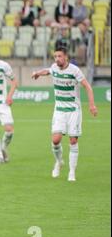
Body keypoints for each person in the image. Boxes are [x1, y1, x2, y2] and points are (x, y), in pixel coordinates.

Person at [31, 47, 97, 181]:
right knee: (55, 140)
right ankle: (59, 162)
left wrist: (91, 105)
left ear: (66, 57)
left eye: (59, 56)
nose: (57, 59)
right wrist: (38, 73)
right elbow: (48, 71)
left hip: (74, 110)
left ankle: (72, 172)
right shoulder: (54, 67)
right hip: (59, 110)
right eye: (55, 56)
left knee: (73, 140)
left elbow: (87, 87)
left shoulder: (74, 70)